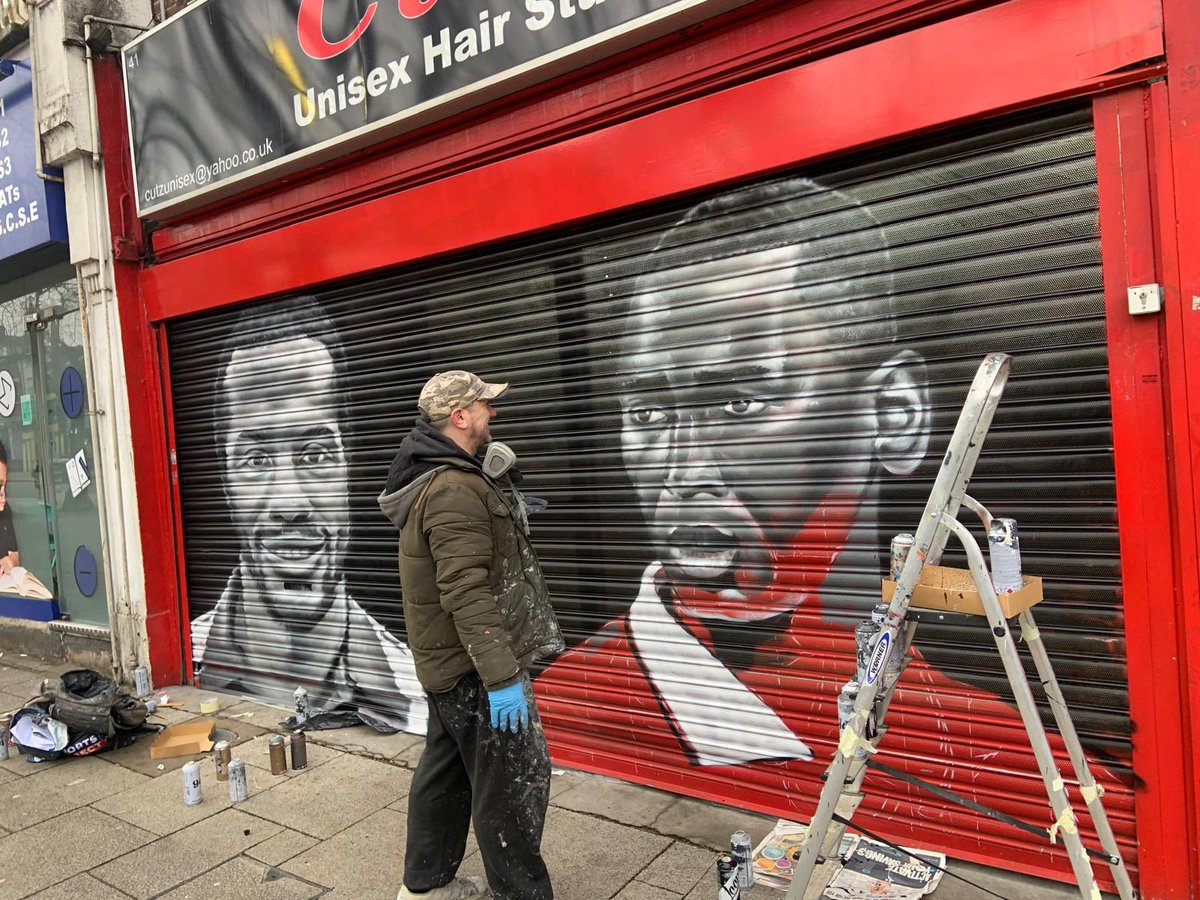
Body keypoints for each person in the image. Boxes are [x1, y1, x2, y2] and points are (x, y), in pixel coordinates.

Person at [533, 176, 1128, 859]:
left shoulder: (1014, 757)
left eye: (736, 405)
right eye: (647, 414)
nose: (681, 470)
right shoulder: (578, 701)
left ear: (894, 414)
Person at [190, 295, 425, 729]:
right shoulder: (187, 654)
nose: (289, 504)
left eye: (315, 455)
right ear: (223, 480)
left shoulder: (414, 689)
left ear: (349, 465)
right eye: (256, 460)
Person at [379, 370, 563, 900]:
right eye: (484, 406)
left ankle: (426, 884)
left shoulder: (449, 476)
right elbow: (465, 590)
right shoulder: (453, 489)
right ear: (459, 417)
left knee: (446, 775)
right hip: (476, 669)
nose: (492, 414)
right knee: (513, 786)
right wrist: (502, 676)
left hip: (449, 665)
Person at [0, 440, 18, 576]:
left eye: (4, 486)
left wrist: (10, 561)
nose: (3, 497)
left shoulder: (5, 511)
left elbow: (15, 553)